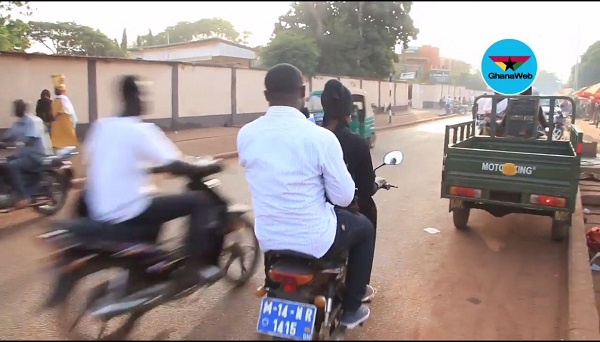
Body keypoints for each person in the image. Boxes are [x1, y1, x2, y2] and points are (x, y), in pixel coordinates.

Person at [237, 63, 375, 329]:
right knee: (365, 228)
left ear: (266, 95)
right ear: (302, 91)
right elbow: (345, 198)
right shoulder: (320, 139)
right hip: (316, 240)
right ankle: (351, 309)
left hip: (269, 239)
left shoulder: (246, 134)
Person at [83, 75, 224, 290]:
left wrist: (149, 168)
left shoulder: (101, 127)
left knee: (155, 199)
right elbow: (176, 163)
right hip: (130, 208)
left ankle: (148, 266)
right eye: (142, 94)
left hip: (99, 208)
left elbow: (107, 161)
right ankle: (193, 268)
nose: (146, 100)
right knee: (200, 201)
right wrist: (206, 167)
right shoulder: (141, 130)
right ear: (131, 96)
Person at [321, 79, 382, 302]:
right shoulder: (355, 142)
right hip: (336, 213)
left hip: (308, 210)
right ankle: (356, 292)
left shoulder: (312, 136)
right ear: (349, 112)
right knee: (367, 221)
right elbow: (365, 189)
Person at [1, 100, 53, 208]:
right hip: (23, 156)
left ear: (24, 108)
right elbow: (7, 136)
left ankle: (24, 196)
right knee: (2, 163)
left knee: (12, 166)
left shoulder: (34, 121)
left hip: (37, 156)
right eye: (15, 107)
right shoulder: (17, 124)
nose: (16, 110)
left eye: (18, 107)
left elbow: (31, 139)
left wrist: (18, 142)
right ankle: (6, 192)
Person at [50, 75, 79, 149]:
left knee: (60, 141)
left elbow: (56, 112)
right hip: (65, 123)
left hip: (60, 123)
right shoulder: (64, 99)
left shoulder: (58, 100)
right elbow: (70, 112)